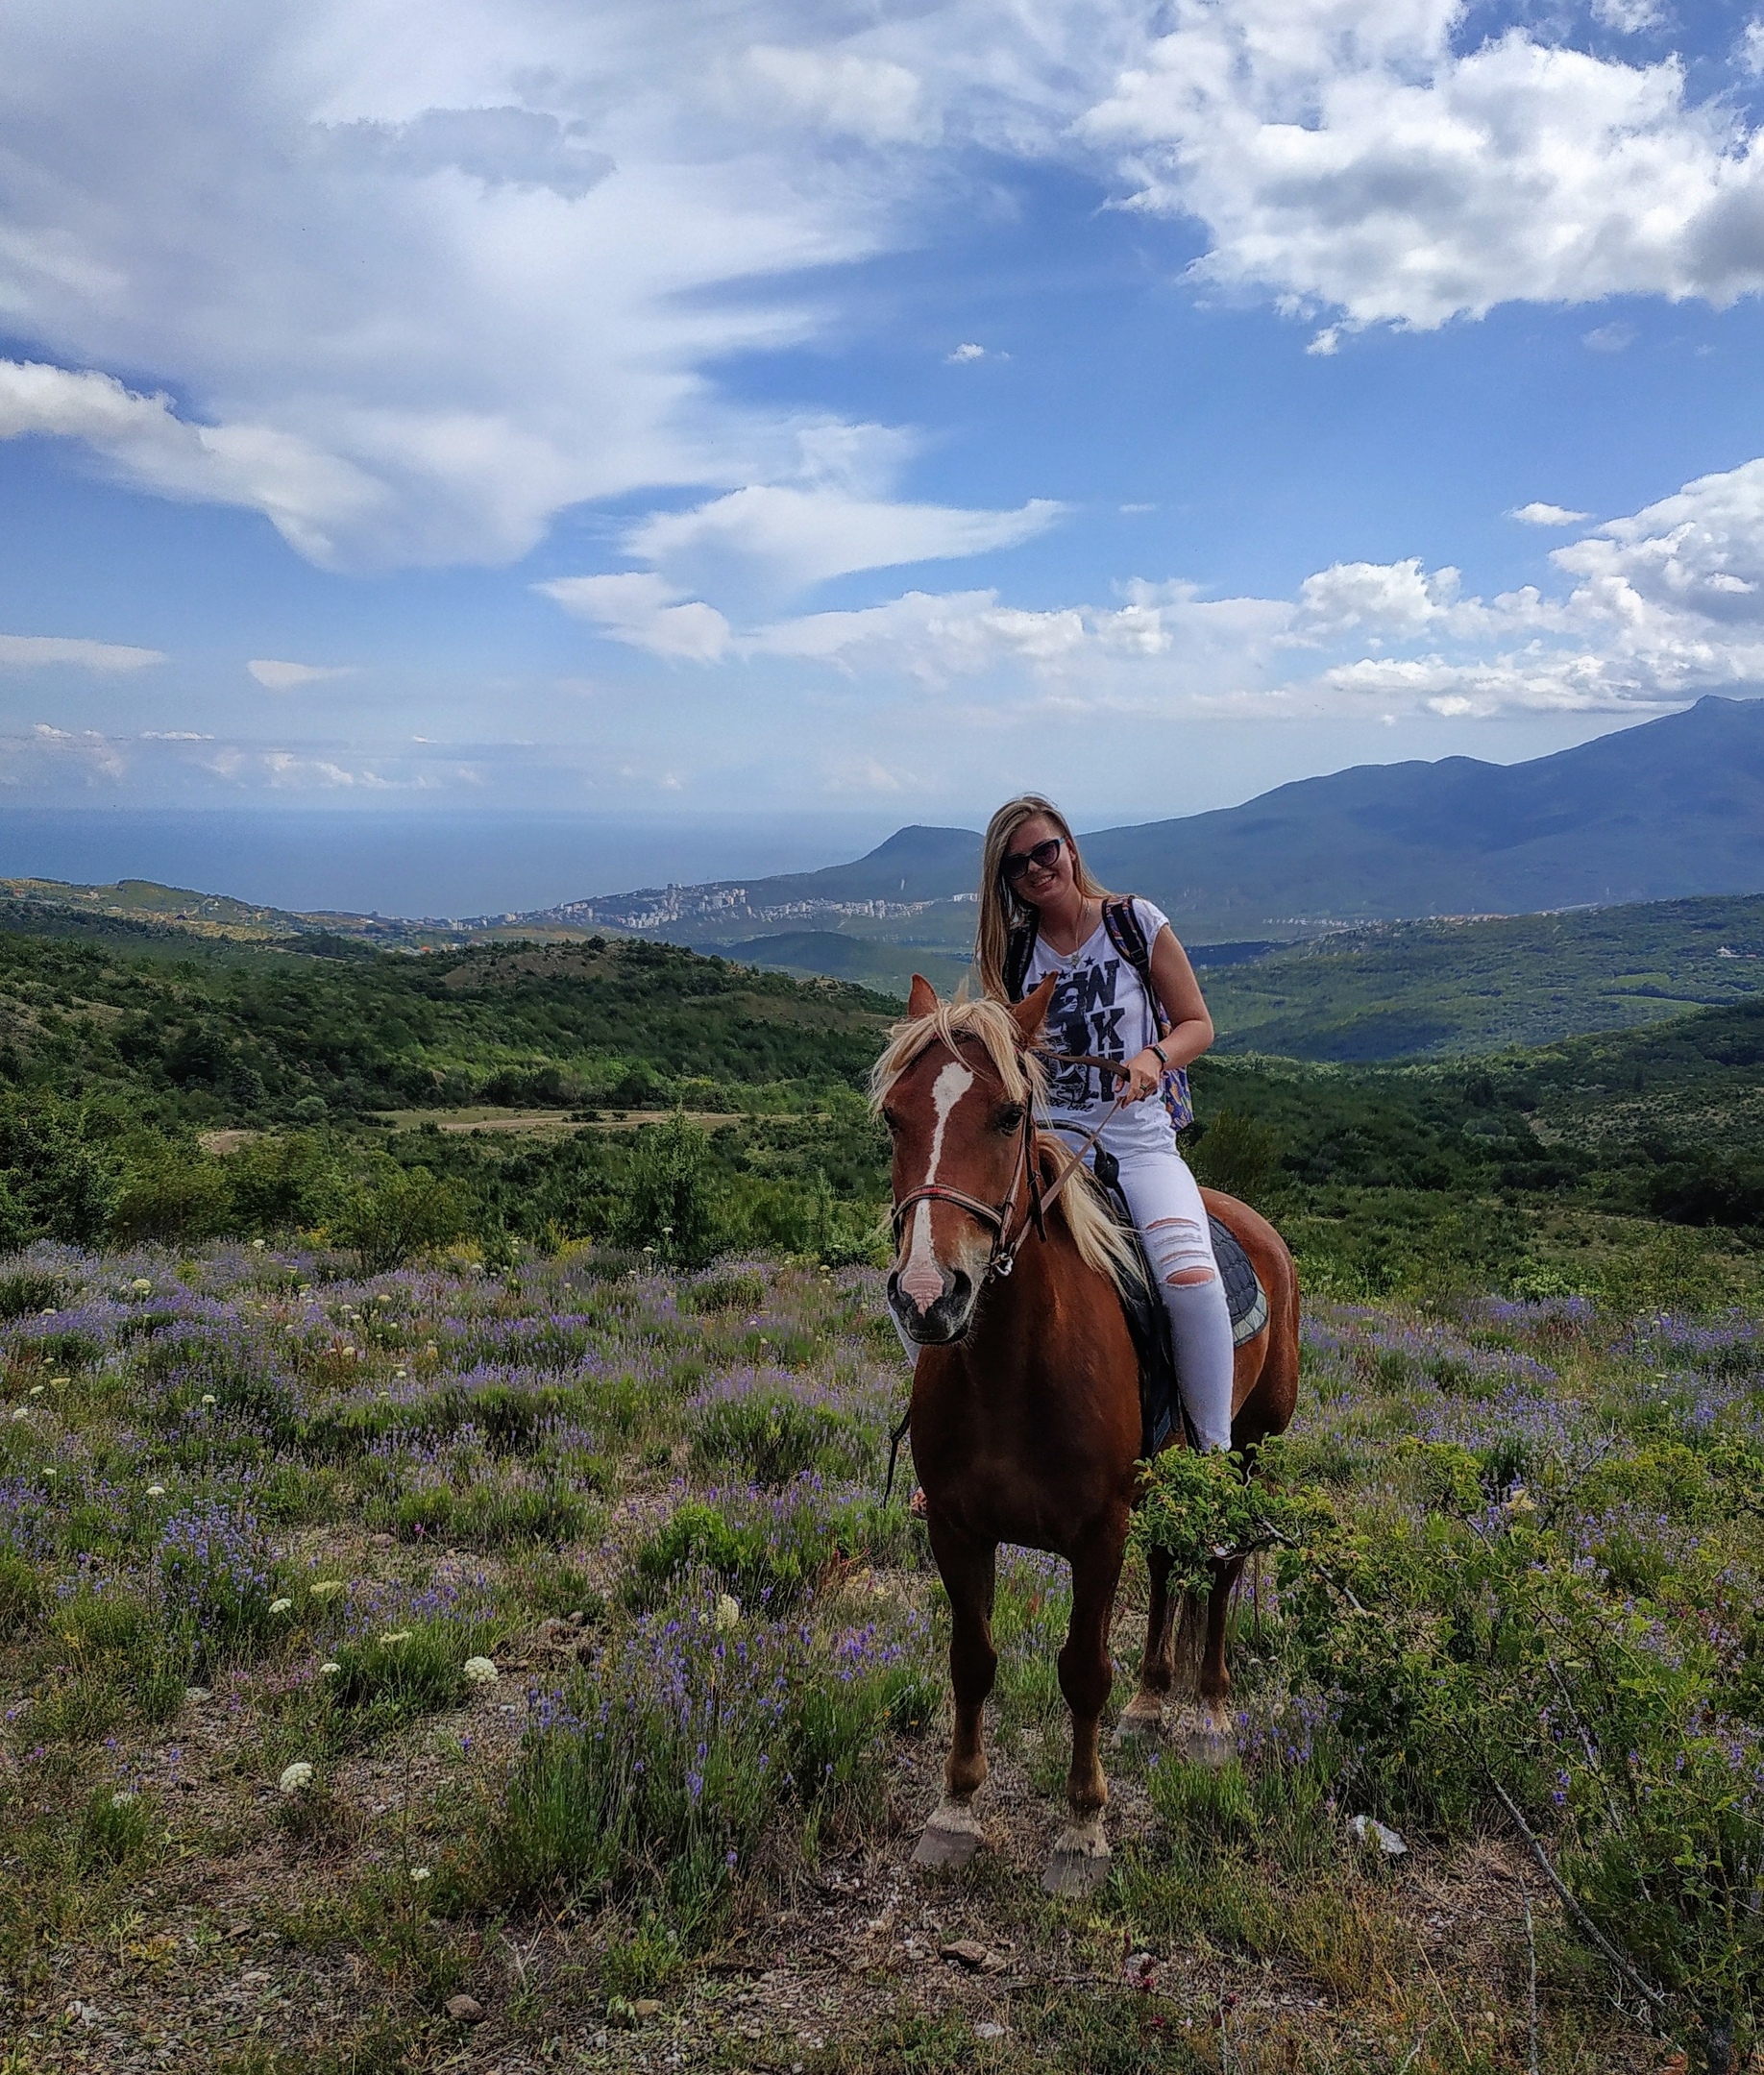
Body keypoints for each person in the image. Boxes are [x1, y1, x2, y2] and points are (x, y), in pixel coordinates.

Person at [972, 793, 1235, 1453]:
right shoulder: (1014, 955)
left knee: (1189, 1278)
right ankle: (955, 1454)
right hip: (1046, 1143)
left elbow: (1198, 1025)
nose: (1035, 869)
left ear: (1069, 846)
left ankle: (1211, 1454)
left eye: (1043, 851)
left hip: (1138, 1141)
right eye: (1016, 866)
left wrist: (1154, 1057)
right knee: (952, 1270)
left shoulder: (1133, 923)